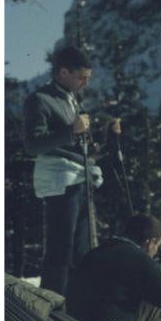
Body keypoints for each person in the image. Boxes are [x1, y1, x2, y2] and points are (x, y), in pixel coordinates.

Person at [21, 46, 122, 295]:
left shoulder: (70, 99)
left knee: (81, 249)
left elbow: (82, 148)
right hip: (60, 179)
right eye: (81, 77)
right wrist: (71, 130)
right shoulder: (39, 100)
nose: (85, 83)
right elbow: (33, 144)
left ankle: (74, 307)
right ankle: (52, 311)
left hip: (79, 177)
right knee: (61, 249)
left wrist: (109, 137)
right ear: (63, 72)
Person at [65, 213, 161, 321]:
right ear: (150, 241)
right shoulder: (140, 260)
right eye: (157, 244)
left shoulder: (95, 254)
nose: (156, 251)